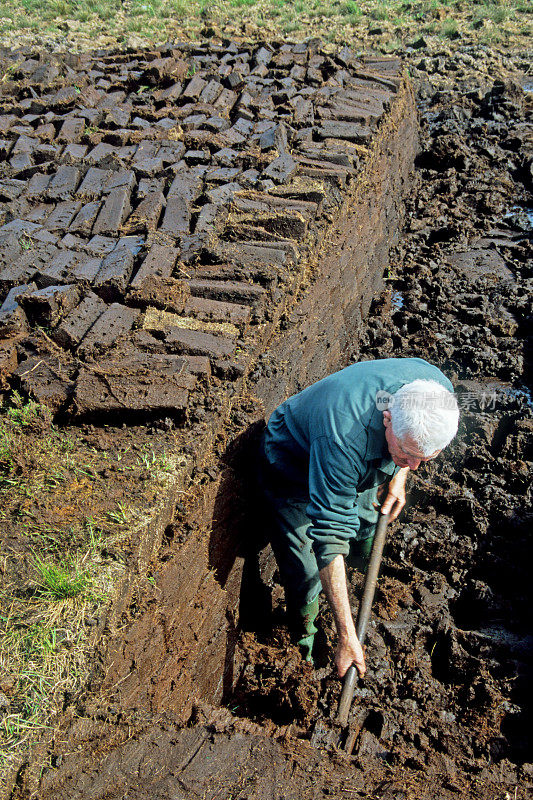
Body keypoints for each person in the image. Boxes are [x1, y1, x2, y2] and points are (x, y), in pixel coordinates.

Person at [258, 357, 459, 678]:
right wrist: (347, 637)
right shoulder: (343, 438)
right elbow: (328, 538)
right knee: (306, 567)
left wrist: (399, 473)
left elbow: (413, 446)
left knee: (366, 516)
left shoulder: (435, 393)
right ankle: (303, 641)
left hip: (362, 451)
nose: (416, 465)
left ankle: (363, 569)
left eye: (424, 457)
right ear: (388, 419)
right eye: (407, 455)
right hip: (293, 462)